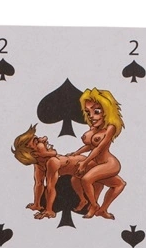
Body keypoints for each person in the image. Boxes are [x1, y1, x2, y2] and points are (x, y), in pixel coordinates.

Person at [67, 88, 126, 219]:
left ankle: (95, 206)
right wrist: (75, 153)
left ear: (107, 111)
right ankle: (97, 207)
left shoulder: (110, 128)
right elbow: (90, 146)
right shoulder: (95, 128)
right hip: (96, 162)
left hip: (109, 163)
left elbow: (99, 148)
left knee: (86, 179)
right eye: (88, 112)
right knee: (75, 178)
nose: (91, 116)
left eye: (97, 111)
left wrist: (85, 162)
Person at [12, 125, 86, 218]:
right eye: (36, 141)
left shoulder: (52, 161)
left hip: (82, 164)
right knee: (39, 183)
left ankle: (50, 209)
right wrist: (36, 204)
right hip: (75, 171)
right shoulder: (39, 164)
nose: (43, 139)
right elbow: (39, 184)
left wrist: (49, 210)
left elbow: (51, 187)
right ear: (33, 154)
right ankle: (38, 204)